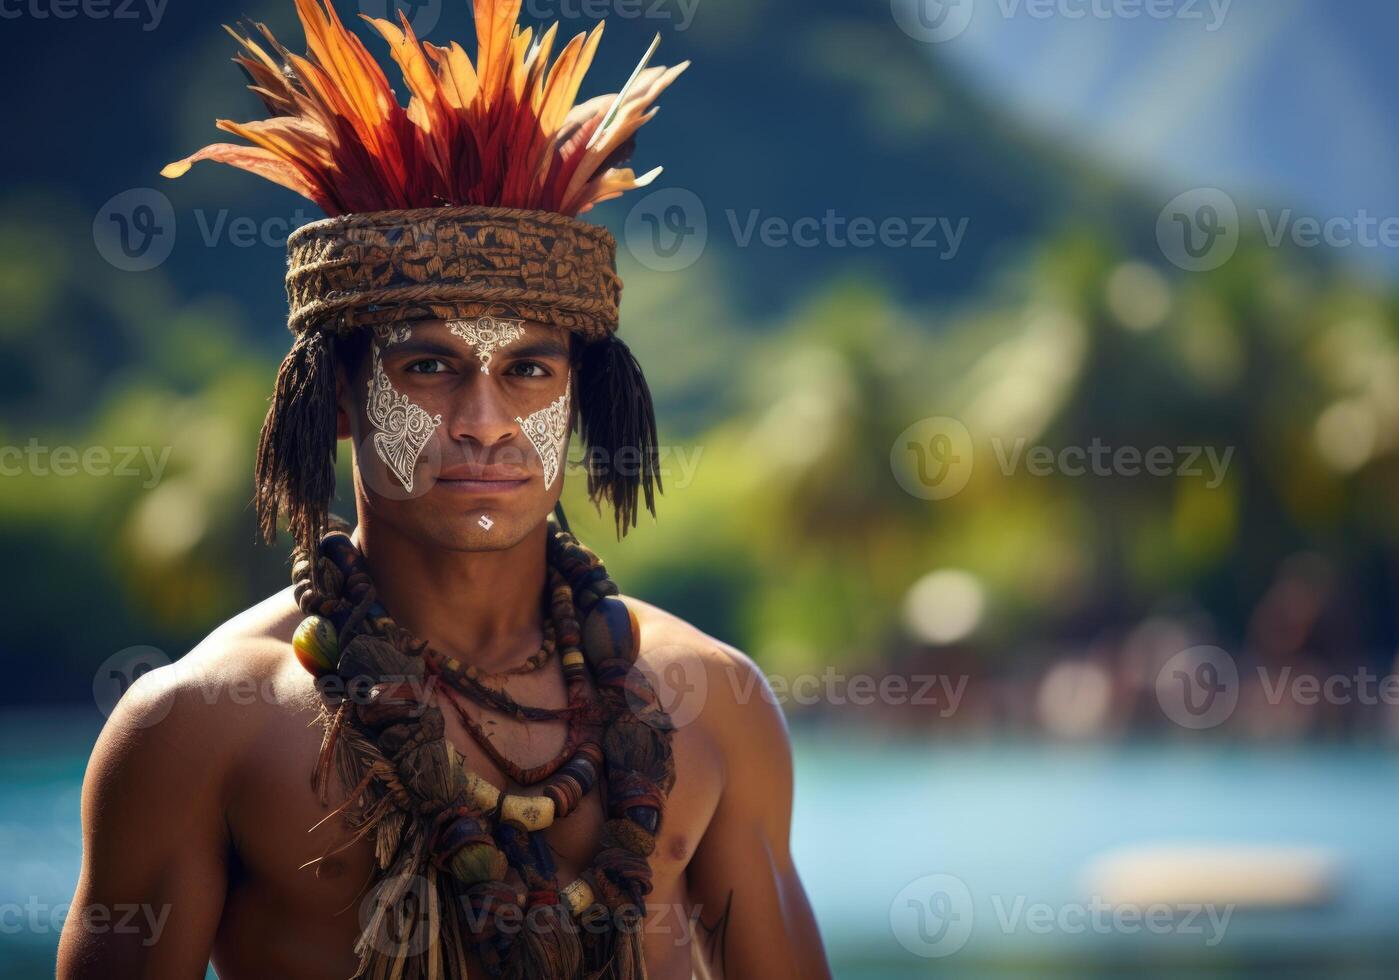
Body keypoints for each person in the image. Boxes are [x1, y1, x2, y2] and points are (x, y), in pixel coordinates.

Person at [58, 2, 830, 977]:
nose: (484, 418)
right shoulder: (201, 724)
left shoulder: (712, 702)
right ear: (338, 395)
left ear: (583, 397)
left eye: (529, 372)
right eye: (428, 367)